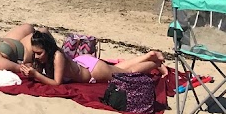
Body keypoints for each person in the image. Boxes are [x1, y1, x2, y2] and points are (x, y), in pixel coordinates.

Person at [20, 30, 167, 85]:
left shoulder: (57, 56)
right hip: (84, 62)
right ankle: (148, 56)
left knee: (127, 74)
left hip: (93, 71)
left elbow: (56, 83)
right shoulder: (47, 56)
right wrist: (29, 68)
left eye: (39, 53)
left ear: (48, 48)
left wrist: (36, 75)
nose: (37, 56)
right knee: (118, 68)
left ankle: (155, 63)